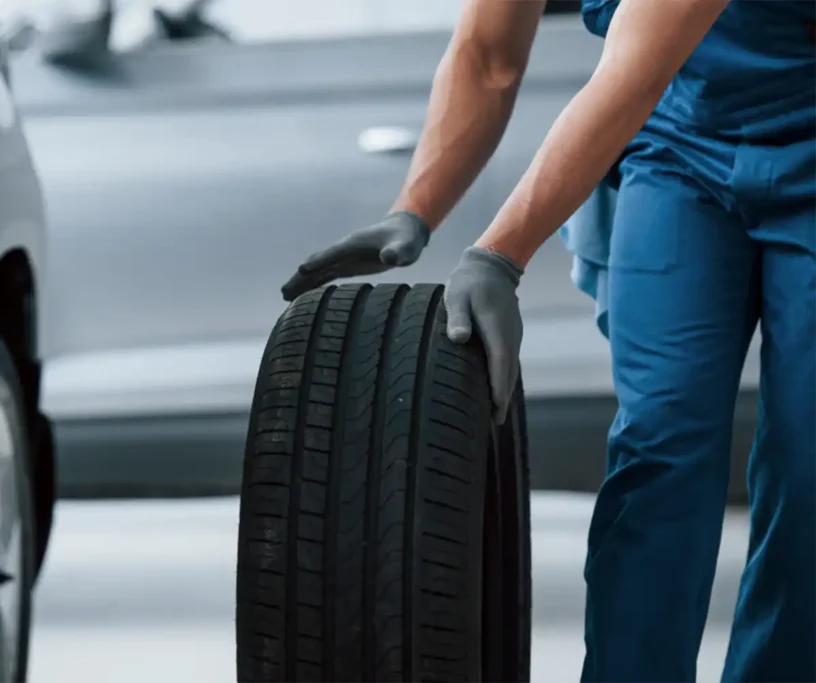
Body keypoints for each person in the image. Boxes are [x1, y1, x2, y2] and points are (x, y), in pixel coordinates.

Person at [280, 0, 816, 680]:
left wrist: (498, 256)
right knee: (661, 440)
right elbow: (489, 55)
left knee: (808, 465)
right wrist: (416, 208)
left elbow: (633, 71)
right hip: (682, 149)